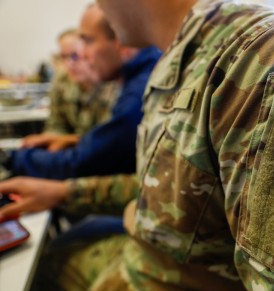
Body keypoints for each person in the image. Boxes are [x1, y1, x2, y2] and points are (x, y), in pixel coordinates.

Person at [0, 0, 274, 291]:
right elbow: (171, 190)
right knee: (51, 258)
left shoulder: (269, 60)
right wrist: (66, 193)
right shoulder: (185, 55)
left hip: (161, 284)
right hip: (146, 268)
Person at [0, 6, 161, 180]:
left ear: (120, 41)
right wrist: (73, 141)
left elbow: (93, 157)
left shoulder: (139, 87)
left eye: (88, 41)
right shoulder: (137, 76)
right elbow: (106, 144)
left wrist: (13, 159)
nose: (82, 54)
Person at [22, 28, 119, 152]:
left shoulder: (111, 82)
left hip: (101, 153)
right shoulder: (62, 81)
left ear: (88, 53)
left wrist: (67, 140)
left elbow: (109, 136)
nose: (69, 64)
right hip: (71, 152)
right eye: (63, 57)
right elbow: (56, 125)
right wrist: (48, 141)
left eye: (74, 56)